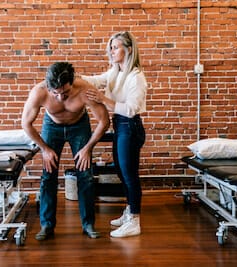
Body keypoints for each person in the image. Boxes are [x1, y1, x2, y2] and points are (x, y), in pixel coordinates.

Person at [21, 62, 110, 241]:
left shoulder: (85, 89)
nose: (60, 98)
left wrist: (87, 148)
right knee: (48, 175)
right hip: (52, 126)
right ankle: (46, 225)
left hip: (79, 126)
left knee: (85, 174)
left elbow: (104, 121)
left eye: (66, 93)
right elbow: (26, 124)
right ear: (48, 86)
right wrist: (45, 149)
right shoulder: (39, 92)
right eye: (56, 93)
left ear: (73, 83)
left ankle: (88, 224)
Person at [83, 31, 147, 238]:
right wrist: (75, 77)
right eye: (111, 47)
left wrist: (103, 99)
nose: (112, 51)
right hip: (121, 126)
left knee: (129, 175)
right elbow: (97, 79)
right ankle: (129, 211)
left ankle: (134, 221)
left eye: (116, 47)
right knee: (121, 171)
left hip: (130, 126)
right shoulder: (115, 72)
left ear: (128, 50)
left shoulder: (136, 77)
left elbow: (130, 109)